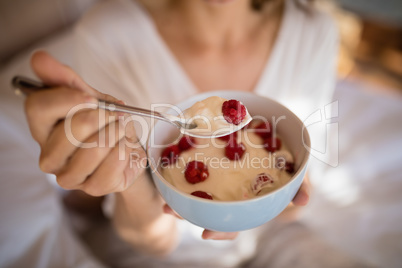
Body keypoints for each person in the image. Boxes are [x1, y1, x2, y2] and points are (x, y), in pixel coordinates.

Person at [1, 0, 339, 266]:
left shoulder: (314, 33)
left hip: (269, 235)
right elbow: (152, 238)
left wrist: (277, 197)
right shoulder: (111, 33)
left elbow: (297, 202)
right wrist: (129, 179)